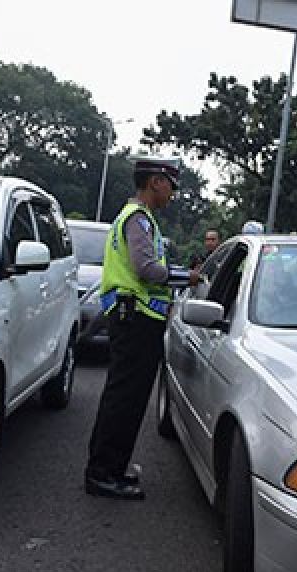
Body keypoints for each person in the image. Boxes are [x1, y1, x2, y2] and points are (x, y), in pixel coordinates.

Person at [85, 155, 195, 500]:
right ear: (155, 182)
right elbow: (146, 268)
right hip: (135, 319)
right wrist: (186, 276)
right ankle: (103, 474)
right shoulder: (138, 219)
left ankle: (110, 468)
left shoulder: (136, 217)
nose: (172, 194)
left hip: (133, 318)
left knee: (124, 397)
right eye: (171, 186)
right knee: (125, 399)